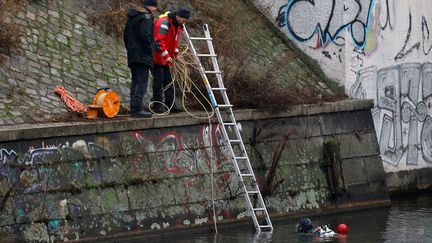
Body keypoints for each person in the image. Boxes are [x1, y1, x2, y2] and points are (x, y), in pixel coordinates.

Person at [151, 7, 191, 114]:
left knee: (169, 82)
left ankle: (170, 104)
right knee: (158, 82)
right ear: (178, 16)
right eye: (184, 20)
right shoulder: (164, 23)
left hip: (166, 59)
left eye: (186, 21)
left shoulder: (177, 26)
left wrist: (176, 54)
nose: (185, 23)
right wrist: (167, 56)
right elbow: (158, 41)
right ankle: (157, 105)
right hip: (157, 58)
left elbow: (175, 43)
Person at [123, 0, 158, 118]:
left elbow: (125, 35)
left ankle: (134, 107)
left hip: (133, 54)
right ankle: (137, 109)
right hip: (143, 55)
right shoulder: (146, 17)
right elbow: (145, 35)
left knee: (135, 81)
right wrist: (150, 51)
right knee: (141, 82)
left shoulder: (133, 17)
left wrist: (131, 50)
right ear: (152, 7)